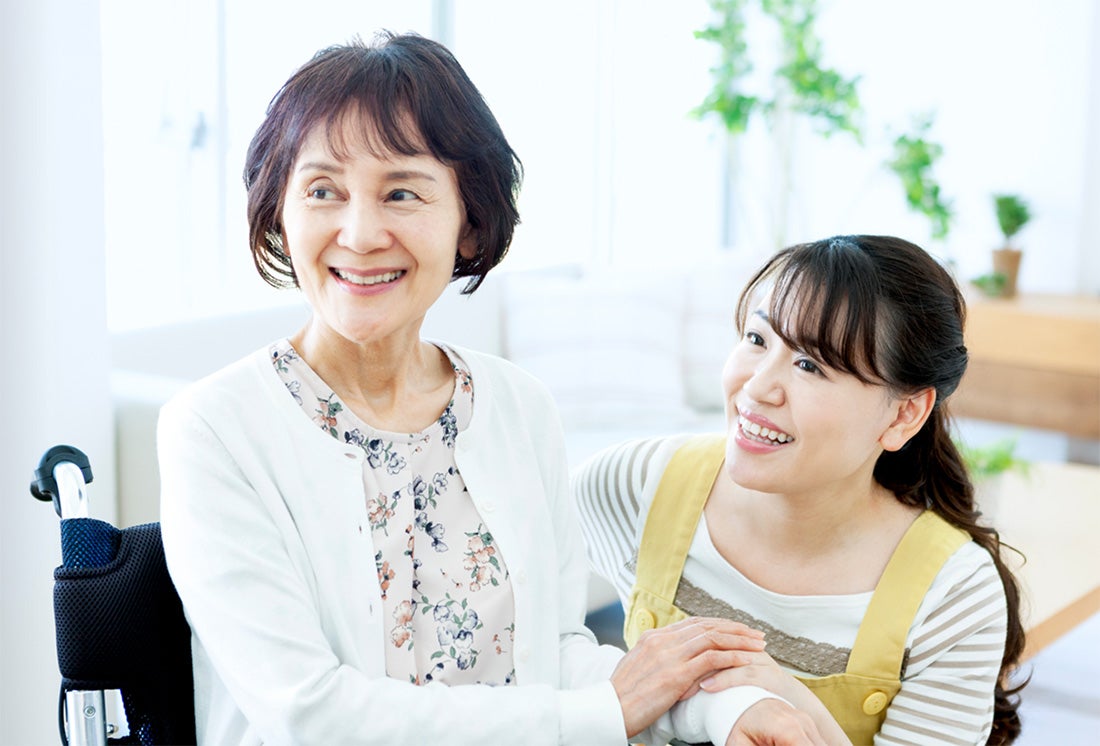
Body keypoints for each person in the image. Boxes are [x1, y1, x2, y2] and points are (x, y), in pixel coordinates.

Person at [158, 32, 825, 746]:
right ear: (280, 217)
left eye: (401, 192)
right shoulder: (217, 427)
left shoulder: (515, 406)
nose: (358, 232)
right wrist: (604, 715)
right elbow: (309, 713)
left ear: (470, 225)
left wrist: (725, 711)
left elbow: (555, 653)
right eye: (323, 191)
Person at [574, 235, 1027, 746]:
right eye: (757, 339)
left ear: (904, 414)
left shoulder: (954, 595)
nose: (757, 387)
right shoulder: (635, 484)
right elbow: (523, 657)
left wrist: (786, 699)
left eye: (810, 365)